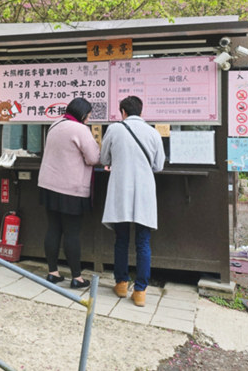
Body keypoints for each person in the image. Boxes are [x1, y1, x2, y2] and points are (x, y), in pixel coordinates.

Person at [101, 96, 165, 307]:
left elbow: (104, 159)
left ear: (123, 112)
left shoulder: (114, 130)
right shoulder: (153, 132)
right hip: (145, 191)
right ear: (141, 110)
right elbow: (159, 165)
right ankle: (140, 292)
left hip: (120, 189)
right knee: (143, 243)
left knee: (121, 239)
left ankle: (121, 284)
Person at [37, 97, 100, 289]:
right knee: (72, 233)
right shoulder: (80, 129)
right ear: (82, 114)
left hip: (48, 185)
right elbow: (93, 158)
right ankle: (76, 277)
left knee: (53, 228)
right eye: (88, 116)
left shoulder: (55, 124)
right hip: (70, 188)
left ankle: (53, 272)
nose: (89, 119)